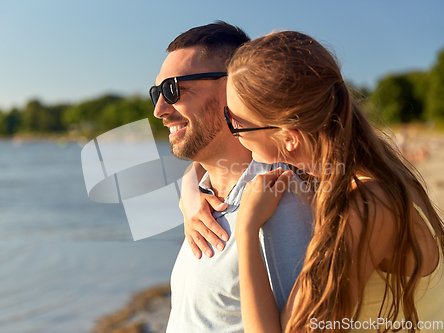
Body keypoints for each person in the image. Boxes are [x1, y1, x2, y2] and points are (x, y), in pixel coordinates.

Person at [223, 30, 444, 332]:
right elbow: (201, 161)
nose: (230, 130)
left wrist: (246, 230)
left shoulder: (368, 205)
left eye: (234, 122)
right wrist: (190, 198)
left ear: (289, 138)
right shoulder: (376, 167)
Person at [149, 22, 313, 332]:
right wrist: (189, 188)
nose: (160, 109)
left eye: (173, 89)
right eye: (156, 92)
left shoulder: (282, 206)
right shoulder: (204, 198)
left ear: (234, 87)